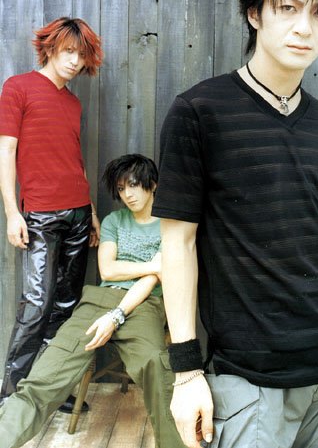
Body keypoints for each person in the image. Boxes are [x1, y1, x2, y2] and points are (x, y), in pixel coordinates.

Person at [152, 0, 318, 448]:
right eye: (288, 7)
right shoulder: (199, 112)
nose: (304, 27)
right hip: (249, 379)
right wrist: (186, 372)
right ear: (254, 12)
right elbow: (177, 244)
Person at [0, 154, 186, 448]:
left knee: (155, 365)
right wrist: (152, 265)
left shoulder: (169, 226)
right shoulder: (114, 221)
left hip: (144, 304)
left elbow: (152, 281)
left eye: (134, 185)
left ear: (153, 184)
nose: (128, 194)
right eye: (121, 188)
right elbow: (108, 270)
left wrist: (117, 315)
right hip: (99, 300)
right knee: (46, 374)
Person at [0, 17, 103, 410]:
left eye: (82, 54)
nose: (75, 61)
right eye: (69, 51)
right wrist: (13, 212)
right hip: (41, 215)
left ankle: (50, 389)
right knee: (36, 303)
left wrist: (92, 211)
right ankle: (12, 397)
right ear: (50, 48)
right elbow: (6, 151)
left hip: (78, 213)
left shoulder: (73, 103)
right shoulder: (18, 87)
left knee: (65, 305)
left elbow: (74, 160)